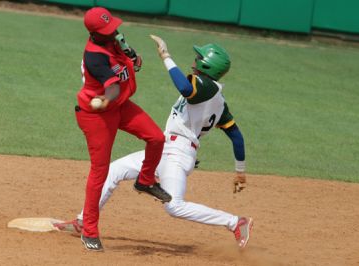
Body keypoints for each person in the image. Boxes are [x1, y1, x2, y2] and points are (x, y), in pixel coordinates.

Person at [56, 34, 253, 249]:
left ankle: (235, 222)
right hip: (171, 149)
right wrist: (240, 171)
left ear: (207, 64)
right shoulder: (220, 102)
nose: (194, 61)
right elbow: (236, 135)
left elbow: (185, 89)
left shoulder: (206, 86)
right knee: (114, 171)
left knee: (174, 206)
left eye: (199, 58)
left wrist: (165, 56)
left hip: (176, 153)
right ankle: (83, 221)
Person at [74, 8, 172, 251]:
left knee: (156, 138)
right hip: (97, 115)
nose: (114, 32)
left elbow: (127, 56)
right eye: (108, 31)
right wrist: (107, 99)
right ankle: (89, 232)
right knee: (100, 171)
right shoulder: (94, 57)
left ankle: (145, 181)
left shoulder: (113, 38)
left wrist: (134, 58)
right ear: (95, 34)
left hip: (119, 107)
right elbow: (113, 86)